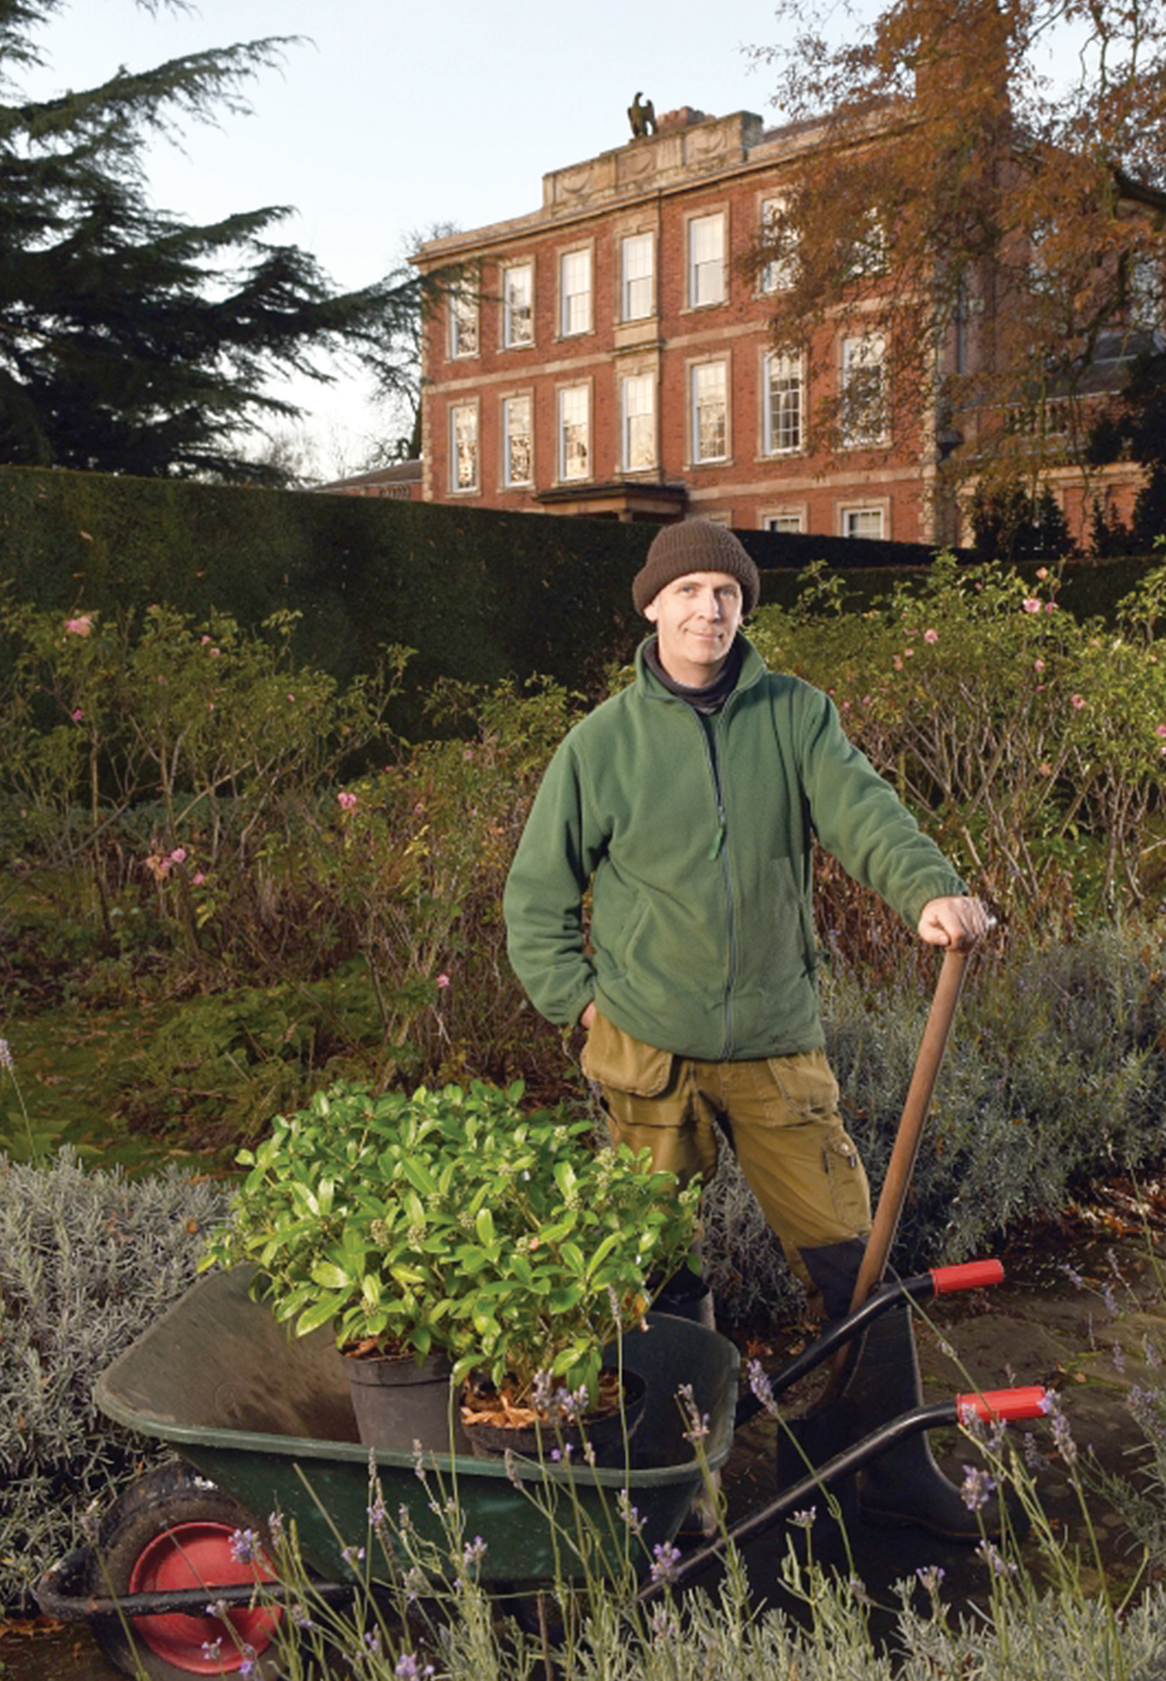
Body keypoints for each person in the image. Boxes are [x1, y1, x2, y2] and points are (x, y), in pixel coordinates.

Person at [503, 520, 990, 1539]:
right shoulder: (600, 744)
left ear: (742, 608)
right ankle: (673, 1488)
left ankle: (889, 1466)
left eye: (725, 593)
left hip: (775, 1044)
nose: (707, 610)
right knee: (653, 1269)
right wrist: (584, 1010)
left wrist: (927, 889)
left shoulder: (795, 715)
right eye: (687, 591)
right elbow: (535, 899)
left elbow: (865, 812)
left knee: (854, 1257)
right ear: (651, 605)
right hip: (648, 1056)